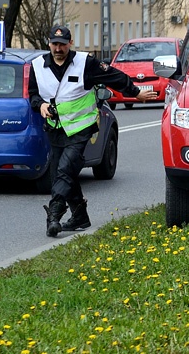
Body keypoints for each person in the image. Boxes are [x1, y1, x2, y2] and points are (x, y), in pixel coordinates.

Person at [29, 25, 158, 237]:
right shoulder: (37, 66)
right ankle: (80, 216)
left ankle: (53, 214)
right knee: (61, 174)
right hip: (56, 129)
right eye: (54, 44)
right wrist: (41, 105)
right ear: (48, 43)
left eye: (62, 44)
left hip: (81, 128)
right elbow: (33, 94)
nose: (58, 48)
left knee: (64, 169)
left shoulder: (85, 63)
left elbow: (113, 76)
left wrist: (135, 92)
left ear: (70, 43)